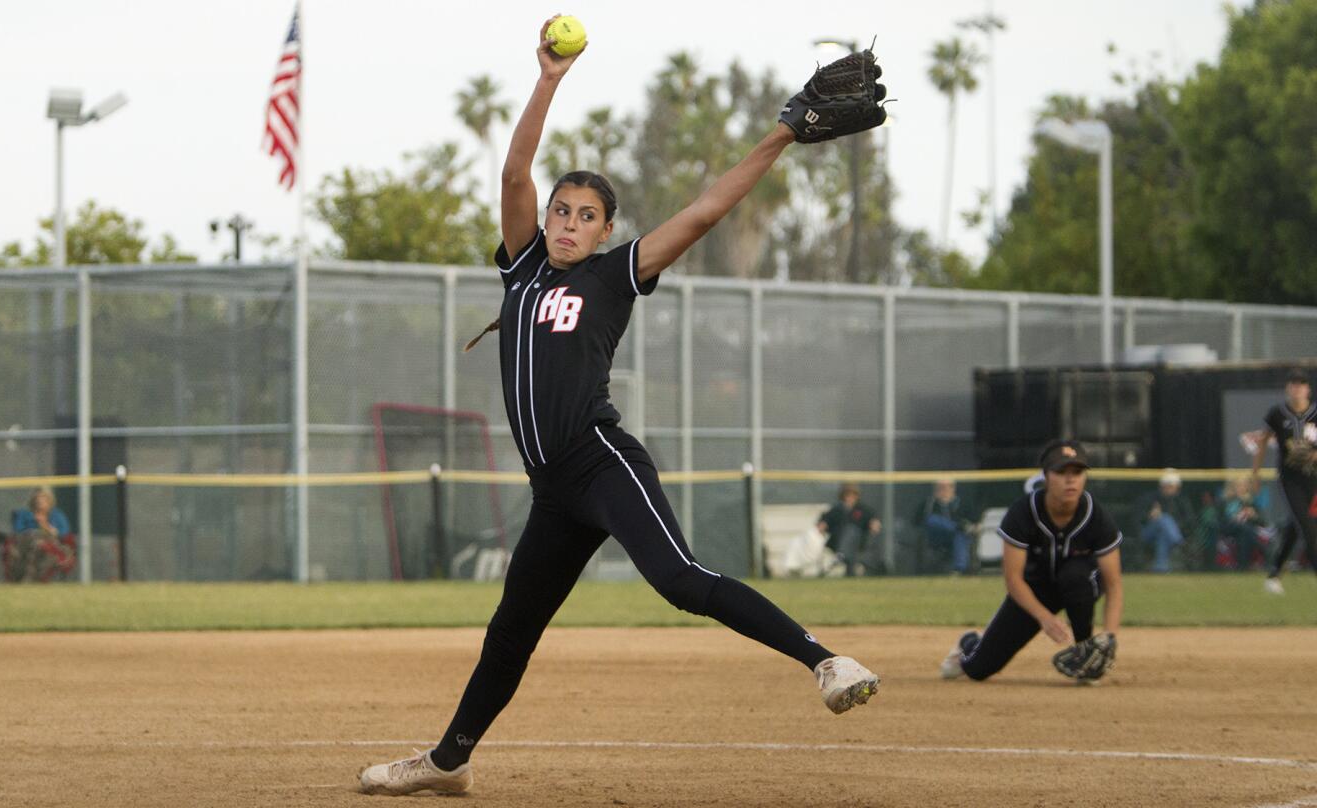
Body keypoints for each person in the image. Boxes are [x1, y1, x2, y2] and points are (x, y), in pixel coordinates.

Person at [358, 18, 882, 796]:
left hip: (602, 465)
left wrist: (781, 136)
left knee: (679, 579)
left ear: (607, 231)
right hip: (553, 493)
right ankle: (447, 762)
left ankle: (827, 660)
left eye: (585, 216)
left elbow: (704, 214)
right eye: (561, 212)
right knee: (509, 635)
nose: (567, 223)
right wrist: (547, 80)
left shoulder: (611, 278)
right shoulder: (523, 272)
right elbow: (513, 176)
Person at [939, 440, 1124, 684]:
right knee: (978, 670)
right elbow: (1013, 580)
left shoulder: (1096, 515)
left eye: (1077, 472)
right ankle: (970, 642)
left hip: (1079, 584)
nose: (1071, 480)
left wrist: (1109, 638)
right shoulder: (1023, 513)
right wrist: (1044, 618)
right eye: (1061, 472)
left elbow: (1113, 584)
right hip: (1033, 591)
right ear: (1046, 477)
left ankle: (1084, 653)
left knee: (1077, 577)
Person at [1244, 369, 1317, 595]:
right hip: (1290, 479)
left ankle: (1274, 574)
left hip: (1313, 479)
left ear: (1308, 389)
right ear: (1287, 388)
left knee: (1295, 527)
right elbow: (1263, 443)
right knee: (1308, 527)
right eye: (1293, 384)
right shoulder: (1278, 413)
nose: (1297, 388)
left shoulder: (1315, 413)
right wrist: (1254, 475)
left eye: (1301, 384)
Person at [7, 487, 75, 582]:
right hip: (25, 546)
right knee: (33, 539)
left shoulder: (57, 516)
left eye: (44, 500)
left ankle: (32, 578)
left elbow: (64, 534)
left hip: (51, 548)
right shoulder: (25, 515)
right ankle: (25, 577)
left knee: (40, 545)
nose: (40, 503)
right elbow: (18, 532)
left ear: (50, 501)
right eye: (38, 500)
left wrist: (45, 525)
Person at [912, 478, 975, 575]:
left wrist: (972, 528)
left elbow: (975, 524)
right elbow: (915, 522)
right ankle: (957, 527)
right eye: (939, 487)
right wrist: (959, 526)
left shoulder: (963, 504)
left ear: (953, 488)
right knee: (932, 519)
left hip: (956, 539)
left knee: (960, 534)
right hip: (935, 538)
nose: (942, 490)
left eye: (946, 487)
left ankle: (958, 570)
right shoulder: (928, 504)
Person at [1136, 469, 1194, 573]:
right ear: (1161, 485)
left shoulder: (1181, 501)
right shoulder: (1151, 497)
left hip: (1166, 534)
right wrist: (1150, 516)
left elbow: (1189, 520)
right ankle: (1178, 542)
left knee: (1162, 534)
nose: (1169, 488)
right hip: (1148, 532)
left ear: (1177, 487)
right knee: (1163, 519)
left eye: (1172, 485)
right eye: (1167, 485)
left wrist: (1175, 525)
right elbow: (1138, 518)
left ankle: (1160, 567)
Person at [1219, 474, 1273, 572]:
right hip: (1229, 528)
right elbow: (1221, 520)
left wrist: (1253, 516)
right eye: (1239, 485)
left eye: (1244, 485)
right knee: (1245, 528)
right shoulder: (1227, 501)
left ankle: (1243, 566)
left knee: (1244, 533)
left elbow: (1262, 522)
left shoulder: (1251, 501)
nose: (1241, 488)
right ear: (1234, 487)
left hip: (1245, 531)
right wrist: (1235, 517)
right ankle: (1264, 551)